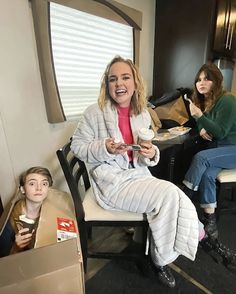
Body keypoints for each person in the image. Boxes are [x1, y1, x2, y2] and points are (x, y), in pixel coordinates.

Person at [71, 56, 235, 288]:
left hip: (137, 176)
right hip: (112, 182)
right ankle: (172, 254)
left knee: (172, 194)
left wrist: (150, 153)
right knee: (170, 193)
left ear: (135, 82)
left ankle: (190, 239)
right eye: (113, 79)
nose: (119, 84)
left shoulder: (141, 113)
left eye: (125, 77)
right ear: (106, 85)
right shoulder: (93, 113)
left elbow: (148, 149)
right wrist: (104, 147)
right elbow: (78, 147)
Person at [182, 63, 236, 259]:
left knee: (200, 157)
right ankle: (210, 222)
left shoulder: (227, 100)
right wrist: (202, 125)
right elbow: (208, 128)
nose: (201, 82)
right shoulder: (209, 103)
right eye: (199, 79)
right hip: (219, 150)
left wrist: (199, 117)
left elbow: (220, 131)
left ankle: (184, 200)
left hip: (232, 150)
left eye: (207, 78)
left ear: (217, 81)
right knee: (206, 174)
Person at [0, 166, 53, 256]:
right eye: (32, 184)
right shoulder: (12, 217)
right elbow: (2, 253)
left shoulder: (51, 210)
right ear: (23, 189)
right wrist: (17, 246)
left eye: (44, 184)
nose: (39, 188)